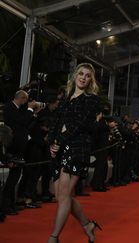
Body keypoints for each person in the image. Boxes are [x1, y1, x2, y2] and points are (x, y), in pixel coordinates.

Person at [47, 63, 102, 243]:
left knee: (64, 197)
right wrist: (52, 144)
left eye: (87, 76)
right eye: (81, 74)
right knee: (63, 196)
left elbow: (80, 124)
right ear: (75, 76)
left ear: (90, 80)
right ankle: (87, 225)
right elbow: (57, 123)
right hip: (60, 150)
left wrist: (60, 141)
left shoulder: (92, 100)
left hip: (77, 149)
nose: (83, 77)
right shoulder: (66, 98)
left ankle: (54, 238)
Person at [1, 90, 38, 215]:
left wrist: (32, 113)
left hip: (20, 146)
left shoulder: (18, 109)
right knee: (13, 178)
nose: (26, 103)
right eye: (25, 100)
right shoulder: (9, 108)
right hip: (14, 147)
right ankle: (6, 206)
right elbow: (22, 122)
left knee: (15, 177)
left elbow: (25, 123)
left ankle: (11, 205)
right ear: (22, 98)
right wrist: (29, 110)